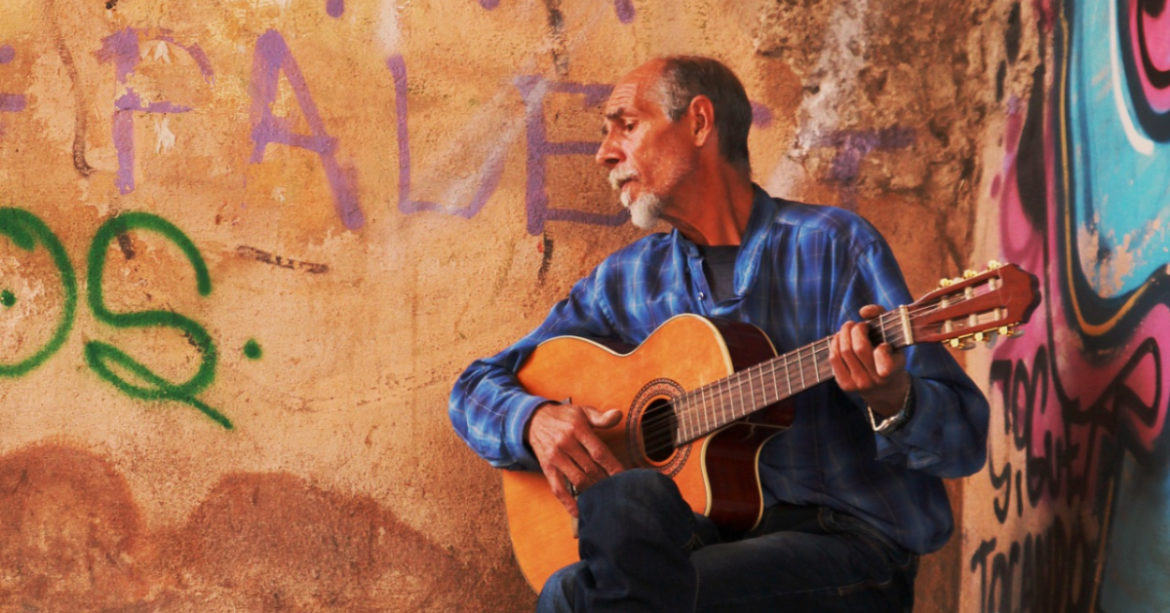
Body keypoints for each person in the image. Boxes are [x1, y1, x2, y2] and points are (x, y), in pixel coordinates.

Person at [449, 55, 988, 612]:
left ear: (700, 123)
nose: (605, 152)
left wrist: (891, 399)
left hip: (844, 547)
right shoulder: (630, 280)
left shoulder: (833, 246)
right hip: (704, 540)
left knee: (589, 599)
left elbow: (964, 439)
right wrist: (534, 421)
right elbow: (472, 388)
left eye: (626, 126)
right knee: (618, 512)